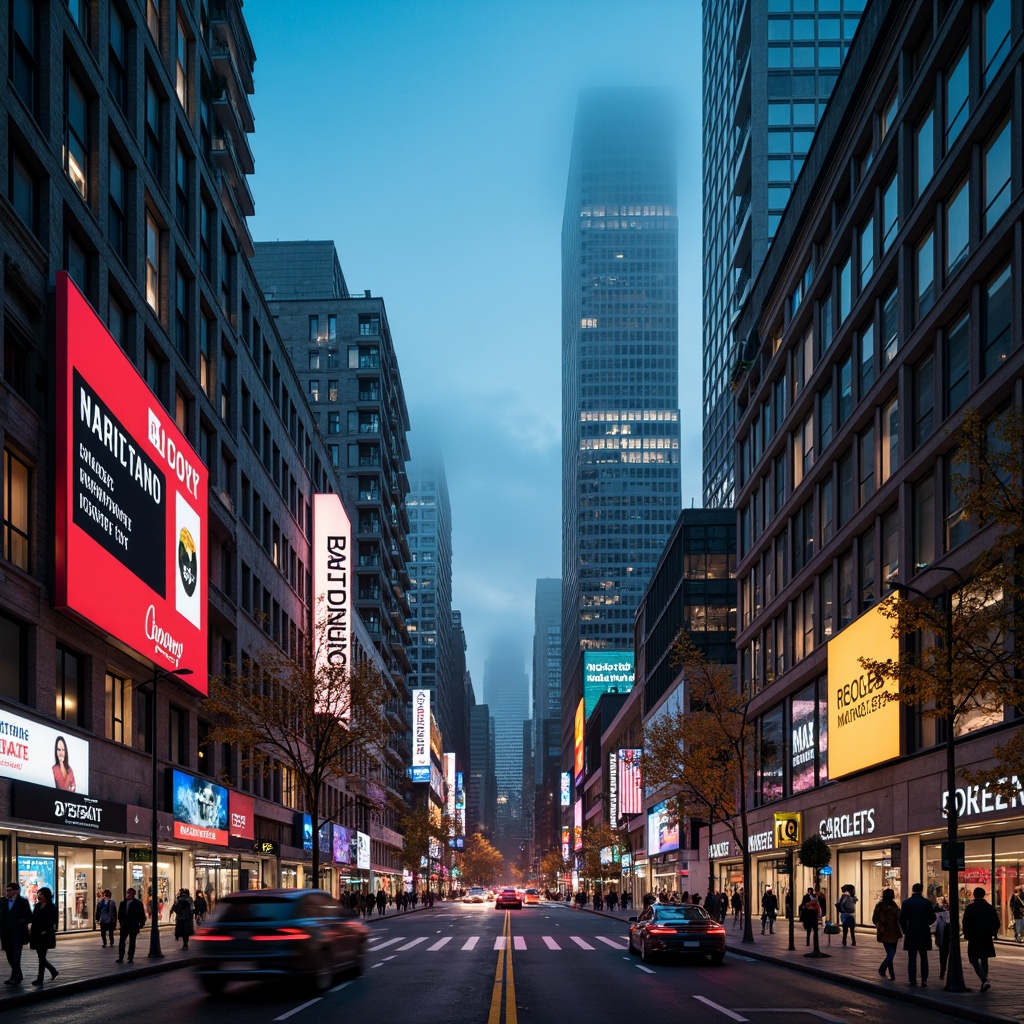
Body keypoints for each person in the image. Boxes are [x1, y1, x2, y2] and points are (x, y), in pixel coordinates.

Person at [961, 886, 1000, 992]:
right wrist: (992, 933)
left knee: (974, 959)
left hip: (974, 937)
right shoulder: (990, 907)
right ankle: (984, 982)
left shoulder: (970, 908)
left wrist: (967, 934)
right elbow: (997, 923)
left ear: (974, 895)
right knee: (984, 959)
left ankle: (984, 980)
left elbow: (965, 923)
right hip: (986, 937)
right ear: (984, 895)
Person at [0, 882, 32, 985]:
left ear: (16, 890)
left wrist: (20, 921)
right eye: (7, 890)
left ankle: (17, 977)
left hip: (18, 934)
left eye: (9, 890)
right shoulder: (2, 901)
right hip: (6, 934)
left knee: (16, 957)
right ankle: (16, 976)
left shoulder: (22, 902)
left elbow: (29, 917)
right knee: (9, 956)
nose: (7, 892)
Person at [28, 886, 58, 986]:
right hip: (36, 934)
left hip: (45, 934)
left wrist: (46, 930)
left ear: (46, 896)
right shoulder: (37, 906)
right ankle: (53, 971)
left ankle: (40, 979)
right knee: (40, 956)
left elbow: (53, 920)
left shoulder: (52, 906)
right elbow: (33, 918)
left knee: (41, 957)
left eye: (41, 894)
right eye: (38, 894)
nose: (39, 896)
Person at [872, 887, 902, 981]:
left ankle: (891, 973)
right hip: (893, 931)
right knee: (891, 953)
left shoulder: (880, 905)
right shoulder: (894, 906)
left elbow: (874, 919)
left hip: (884, 931)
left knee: (890, 953)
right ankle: (883, 969)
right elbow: (900, 917)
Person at [116, 887, 147, 963]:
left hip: (133, 925)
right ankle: (121, 956)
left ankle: (130, 956)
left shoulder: (138, 904)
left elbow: (142, 915)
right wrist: (121, 922)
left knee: (132, 941)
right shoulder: (123, 903)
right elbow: (120, 914)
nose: (128, 895)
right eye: (127, 893)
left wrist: (141, 924)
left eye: (130, 893)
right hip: (124, 925)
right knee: (122, 941)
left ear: (133, 895)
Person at [933, 896, 950, 979]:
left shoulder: (938, 916)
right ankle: (943, 970)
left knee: (943, 955)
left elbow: (934, 927)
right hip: (947, 937)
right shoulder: (949, 915)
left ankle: (942, 971)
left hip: (943, 937)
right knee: (945, 954)